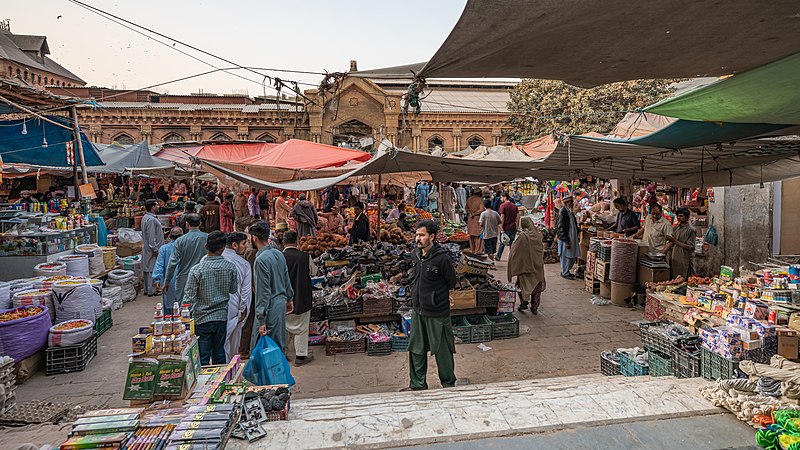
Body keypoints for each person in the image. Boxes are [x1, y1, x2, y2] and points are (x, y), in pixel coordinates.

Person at [406, 220, 459, 391]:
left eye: (422, 235)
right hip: (418, 310)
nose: (418, 239)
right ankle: (417, 384)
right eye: (417, 235)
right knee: (416, 349)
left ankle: (448, 384)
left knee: (443, 351)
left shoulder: (442, 259)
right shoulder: (415, 255)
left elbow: (452, 281)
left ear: (432, 237)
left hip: (437, 312)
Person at [183, 231, 238, 365]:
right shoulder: (230, 268)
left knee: (202, 357)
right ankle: (220, 383)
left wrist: (184, 319)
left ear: (205, 246)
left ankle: (203, 384)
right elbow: (233, 289)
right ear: (223, 248)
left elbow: (188, 298)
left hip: (202, 318)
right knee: (219, 354)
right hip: (221, 317)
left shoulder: (197, 270)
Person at [249, 222, 294, 353]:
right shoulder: (278, 253)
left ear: (254, 238)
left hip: (270, 306)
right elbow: (286, 278)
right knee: (277, 345)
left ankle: (271, 373)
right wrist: (290, 298)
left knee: (266, 350)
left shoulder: (261, 260)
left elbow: (263, 292)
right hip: (280, 303)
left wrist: (261, 319)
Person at [282, 230, 317, 366]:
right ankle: (300, 356)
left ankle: (283, 353)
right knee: (302, 328)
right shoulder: (305, 256)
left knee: (284, 327)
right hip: (302, 297)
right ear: (296, 241)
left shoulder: (279, 257)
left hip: (284, 299)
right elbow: (314, 272)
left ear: (283, 242)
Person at [221, 232, 252, 361]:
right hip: (235, 308)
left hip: (217, 309)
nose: (246, 247)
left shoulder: (212, 259)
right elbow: (245, 290)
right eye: (244, 244)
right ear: (235, 245)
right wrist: (243, 308)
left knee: (221, 344)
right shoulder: (243, 264)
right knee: (233, 343)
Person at [165, 213, 209, 304]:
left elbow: (172, 263)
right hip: (204, 277)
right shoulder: (207, 238)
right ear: (200, 223)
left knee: (184, 308)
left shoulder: (180, 241)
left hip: (185, 278)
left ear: (187, 224)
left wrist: (167, 281)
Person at [508, 217, 546, 314]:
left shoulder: (522, 236)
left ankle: (523, 303)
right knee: (537, 288)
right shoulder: (537, 235)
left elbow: (515, 250)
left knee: (521, 285)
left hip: (525, 267)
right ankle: (534, 307)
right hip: (538, 267)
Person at [153, 227, 183, 315]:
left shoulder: (164, 249)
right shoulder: (186, 248)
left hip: (168, 283)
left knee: (169, 311)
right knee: (184, 309)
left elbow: (159, 265)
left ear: (170, 236)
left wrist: (157, 279)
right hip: (183, 282)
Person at [141, 200, 165, 297]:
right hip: (152, 248)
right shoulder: (151, 220)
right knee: (152, 268)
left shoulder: (146, 218)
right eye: (156, 205)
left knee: (148, 267)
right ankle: (152, 289)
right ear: (152, 207)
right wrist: (154, 249)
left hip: (148, 247)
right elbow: (151, 236)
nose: (158, 207)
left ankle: (148, 289)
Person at [666, 207, 696, 279]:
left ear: (687, 217)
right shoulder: (676, 228)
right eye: (678, 216)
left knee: (683, 278)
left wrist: (675, 241)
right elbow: (672, 242)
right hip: (674, 256)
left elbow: (691, 247)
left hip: (684, 257)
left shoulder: (691, 230)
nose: (679, 218)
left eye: (681, 216)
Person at [556, 196, 580, 280]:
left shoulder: (569, 211)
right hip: (566, 238)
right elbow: (561, 227)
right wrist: (566, 240)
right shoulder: (563, 212)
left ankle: (567, 271)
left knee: (571, 256)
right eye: (571, 202)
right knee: (566, 256)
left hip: (571, 237)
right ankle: (565, 272)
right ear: (568, 203)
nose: (572, 204)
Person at [496, 192, 519, 261]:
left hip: (505, 228)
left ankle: (498, 256)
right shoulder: (514, 206)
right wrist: (517, 226)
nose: (500, 199)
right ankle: (512, 257)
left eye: (501, 197)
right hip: (513, 227)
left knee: (502, 243)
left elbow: (502, 217)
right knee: (512, 243)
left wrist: (501, 227)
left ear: (505, 197)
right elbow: (517, 217)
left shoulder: (503, 206)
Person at [466, 189, 485, 254]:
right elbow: (481, 209)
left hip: (470, 218)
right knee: (478, 235)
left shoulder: (469, 199)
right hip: (477, 219)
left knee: (471, 235)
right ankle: (478, 250)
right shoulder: (480, 200)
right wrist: (475, 213)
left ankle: (472, 249)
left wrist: (471, 213)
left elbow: (466, 208)